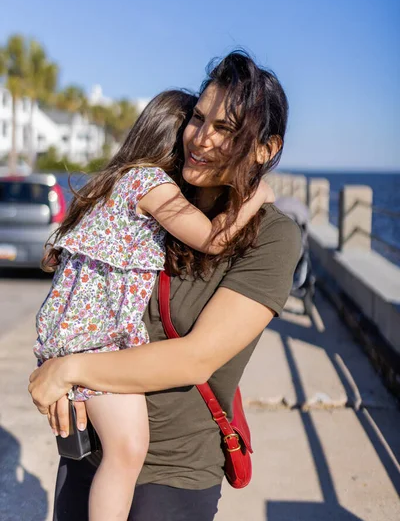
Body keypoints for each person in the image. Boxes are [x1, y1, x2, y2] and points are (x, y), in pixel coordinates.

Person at [29, 51, 302, 521]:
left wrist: (70, 369)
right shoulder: (152, 204)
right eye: (199, 119)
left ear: (266, 150)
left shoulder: (273, 237)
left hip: (173, 472)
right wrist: (61, 373)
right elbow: (84, 297)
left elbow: (196, 357)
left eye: (226, 129)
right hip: (93, 445)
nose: (201, 138)